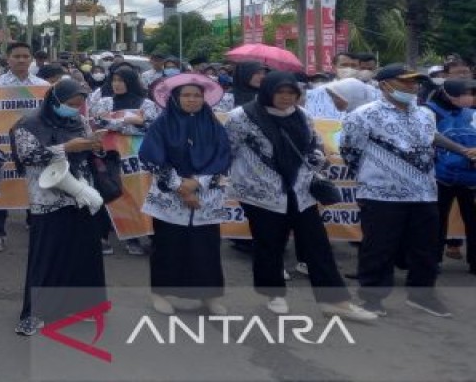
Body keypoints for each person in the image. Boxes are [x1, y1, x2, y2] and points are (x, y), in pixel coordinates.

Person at [225, 71, 376, 321]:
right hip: (260, 191)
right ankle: (274, 295)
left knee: (317, 244)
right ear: (267, 92)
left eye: (291, 93)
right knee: (269, 244)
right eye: (280, 92)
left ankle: (335, 302)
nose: (286, 98)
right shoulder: (241, 117)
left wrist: (317, 158)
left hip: (301, 189)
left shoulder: (302, 115)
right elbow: (227, 150)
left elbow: (314, 144)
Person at [342, 64, 451, 317]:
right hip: (381, 194)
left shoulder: (425, 114)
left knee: (426, 248)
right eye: (406, 82)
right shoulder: (363, 115)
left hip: (424, 192)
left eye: (415, 83)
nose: (413, 87)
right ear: (384, 85)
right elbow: (350, 152)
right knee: (379, 247)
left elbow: (429, 142)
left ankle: (422, 296)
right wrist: (379, 174)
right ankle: (371, 299)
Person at [11, 78, 107, 335]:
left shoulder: (79, 121)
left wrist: (94, 145)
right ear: (54, 100)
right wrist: (64, 147)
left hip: (79, 193)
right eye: (70, 104)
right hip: (48, 198)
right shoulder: (29, 124)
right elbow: (27, 156)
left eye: (79, 104)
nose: (74, 109)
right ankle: (35, 313)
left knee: (83, 252)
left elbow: (88, 151)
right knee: (47, 255)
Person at [140, 75, 232, 315]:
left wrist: (197, 184)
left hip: (205, 197)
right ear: (175, 98)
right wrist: (180, 187)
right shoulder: (162, 124)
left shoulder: (213, 125)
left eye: (197, 95)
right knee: (168, 246)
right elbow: (151, 158)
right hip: (170, 198)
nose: (192, 100)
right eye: (186, 95)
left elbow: (223, 159)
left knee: (206, 248)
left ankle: (209, 296)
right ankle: (159, 293)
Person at [0, 41, 50, 253]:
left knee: (36, 186)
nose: (21, 60)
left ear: (30, 59)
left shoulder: (42, 86)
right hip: (3, 145)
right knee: (1, 187)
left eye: (25, 56)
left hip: (33, 146)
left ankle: (36, 227)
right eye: (17, 56)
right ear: (8, 59)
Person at [88, 66, 160, 256]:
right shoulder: (104, 102)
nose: (117, 84)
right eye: (114, 80)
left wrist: (116, 125)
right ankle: (103, 237)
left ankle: (135, 237)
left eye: (121, 80)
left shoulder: (147, 104)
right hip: (108, 154)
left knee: (138, 194)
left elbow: (151, 127)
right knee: (108, 192)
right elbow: (97, 123)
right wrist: (130, 123)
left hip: (138, 158)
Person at [426, 78, 476, 273]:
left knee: (472, 221)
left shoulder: (472, 114)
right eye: (464, 94)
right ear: (447, 95)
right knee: (437, 220)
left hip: (470, 178)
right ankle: (433, 260)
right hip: (441, 177)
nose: (468, 97)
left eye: (469, 93)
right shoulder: (429, 112)